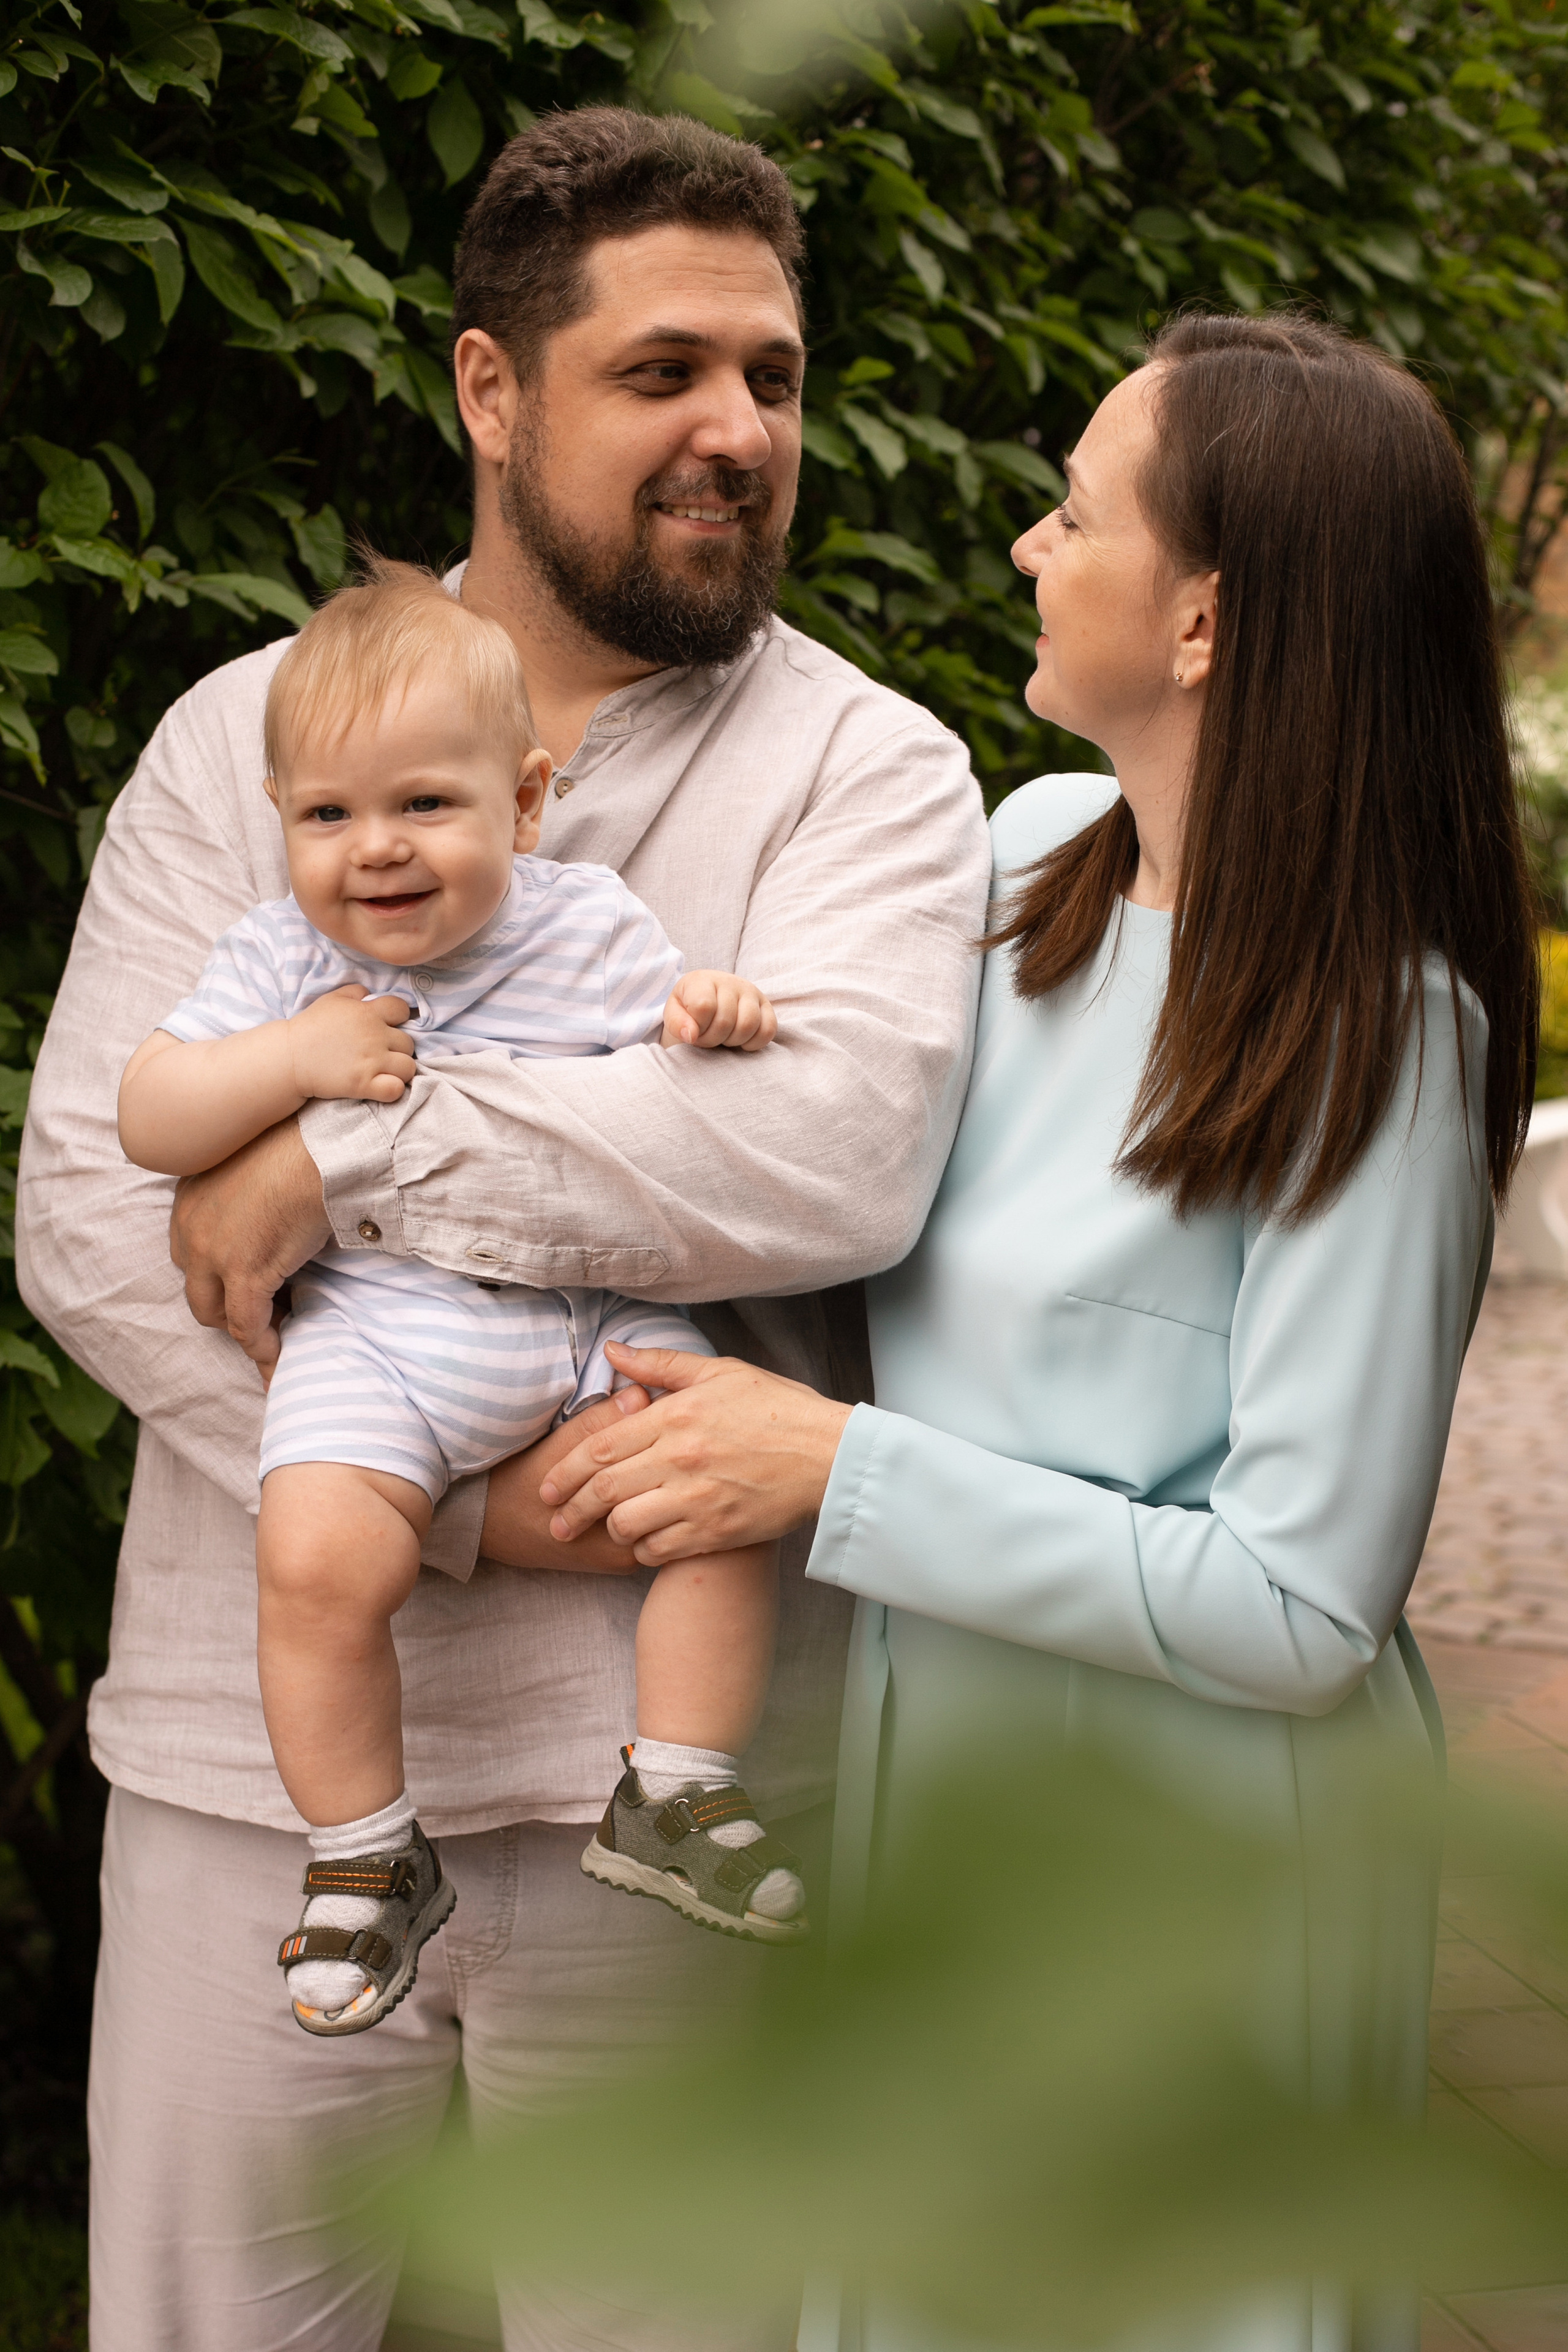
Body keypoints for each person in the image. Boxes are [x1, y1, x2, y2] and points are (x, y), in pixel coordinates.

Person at [17, 108, 990, 2351]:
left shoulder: (869, 774)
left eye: (772, 374)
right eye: (663, 373)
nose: (737, 431)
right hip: (239, 1774)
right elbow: (90, 1212)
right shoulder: (239, 742)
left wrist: (336, 1156)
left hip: (675, 1814)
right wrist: (442, 1510)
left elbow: (828, 1156)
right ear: (490, 390)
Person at [537, 312, 1539, 2352]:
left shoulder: (1389, 1033)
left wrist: (837, 1474)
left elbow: (1305, 1612)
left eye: (1075, 510)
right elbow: (803, 1208)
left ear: (1202, 622)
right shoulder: (1016, 870)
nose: (1023, 544)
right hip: (944, 1779)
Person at [117, 560, 811, 2037]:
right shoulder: (280, 962)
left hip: (583, 1332)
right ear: (283, 821)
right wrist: (295, 1066)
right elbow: (153, 1116)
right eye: (326, 815)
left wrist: (710, 1011)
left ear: (526, 802)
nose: (374, 851)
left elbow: (678, 1080)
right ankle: (364, 1852)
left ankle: (676, 1784)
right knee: (314, 1562)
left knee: (722, 1499)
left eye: (425, 805)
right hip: (379, 1343)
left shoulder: (591, 926)